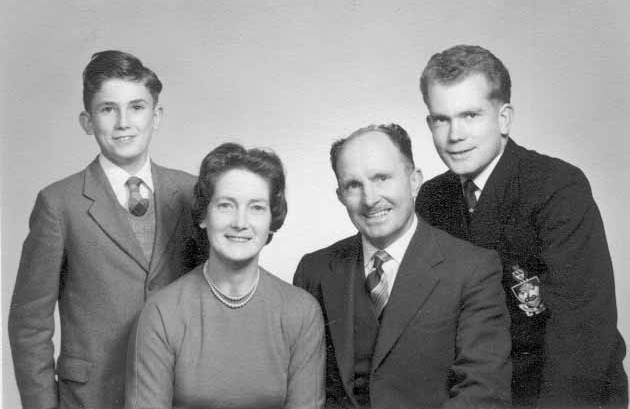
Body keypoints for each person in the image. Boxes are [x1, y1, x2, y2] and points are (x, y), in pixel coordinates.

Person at [416, 44, 627, 408]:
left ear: (504, 118)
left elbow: (582, 334)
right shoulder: (433, 198)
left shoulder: (557, 187)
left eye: (470, 115)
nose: (455, 135)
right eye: (441, 119)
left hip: (560, 393)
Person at [8, 50, 198, 409]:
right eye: (108, 109)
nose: (124, 122)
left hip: (180, 393)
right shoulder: (59, 204)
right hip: (92, 397)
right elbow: (28, 324)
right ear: (87, 121)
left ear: (156, 116)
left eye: (137, 107)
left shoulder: (192, 193)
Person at [294, 124, 511, 409]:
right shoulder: (315, 270)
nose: (370, 199)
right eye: (353, 185)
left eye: (381, 178)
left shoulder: (473, 269)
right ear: (340, 196)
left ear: (414, 181)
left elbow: (484, 392)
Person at [125, 143, 325, 409]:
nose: (240, 222)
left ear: (271, 221)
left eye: (256, 207)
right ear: (204, 216)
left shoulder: (301, 312)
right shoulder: (162, 313)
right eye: (226, 205)